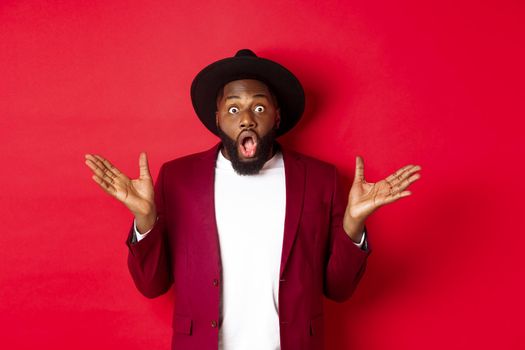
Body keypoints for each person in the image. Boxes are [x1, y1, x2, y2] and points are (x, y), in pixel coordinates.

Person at [84, 49, 421, 350]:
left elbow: (338, 290)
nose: (246, 118)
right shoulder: (178, 179)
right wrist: (146, 221)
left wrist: (353, 224)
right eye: (233, 108)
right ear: (218, 119)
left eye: (258, 106)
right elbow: (152, 285)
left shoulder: (321, 180)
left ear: (276, 116)